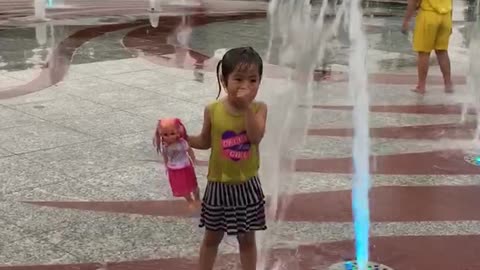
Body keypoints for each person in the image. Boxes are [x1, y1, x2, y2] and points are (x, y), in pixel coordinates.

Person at [187, 47, 268, 270]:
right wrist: (184, 139)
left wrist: (247, 110)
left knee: (247, 240)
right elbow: (205, 141)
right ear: (224, 80)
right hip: (218, 185)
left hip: (247, 184)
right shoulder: (213, 109)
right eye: (238, 79)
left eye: (253, 80)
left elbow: (255, 137)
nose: (246, 86)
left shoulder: (260, 109)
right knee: (212, 237)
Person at [402, 0, 454, 94]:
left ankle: (421, 86)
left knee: (424, 52)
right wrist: (450, 20)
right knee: (442, 51)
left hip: (428, 16)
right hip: (446, 17)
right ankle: (448, 84)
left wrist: (406, 20)